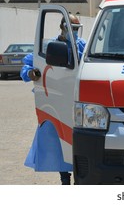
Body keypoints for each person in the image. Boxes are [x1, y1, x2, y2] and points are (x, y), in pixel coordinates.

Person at [20, 14, 86, 185]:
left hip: (78, 101)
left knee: (80, 141)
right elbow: (29, 64)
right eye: (73, 29)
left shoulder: (82, 45)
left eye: (77, 29)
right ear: (63, 27)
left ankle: (81, 178)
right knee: (59, 141)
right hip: (56, 100)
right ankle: (65, 179)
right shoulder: (49, 47)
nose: (76, 33)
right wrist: (30, 73)